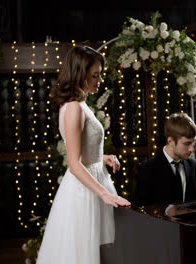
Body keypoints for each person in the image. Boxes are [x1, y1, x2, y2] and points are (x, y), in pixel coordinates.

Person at [37, 45, 130, 264]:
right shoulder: (73, 108)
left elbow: (83, 149)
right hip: (86, 193)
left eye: (100, 75)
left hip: (95, 180)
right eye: (94, 75)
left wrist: (102, 157)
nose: (99, 80)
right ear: (80, 74)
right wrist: (104, 194)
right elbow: (74, 163)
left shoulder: (81, 105)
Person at [133, 112, 196, 208]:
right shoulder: (147, 169)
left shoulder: (193, 165)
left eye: (193, 143)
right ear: (170, 141)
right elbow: (141, 209)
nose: (192, 149)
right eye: (187, 143)